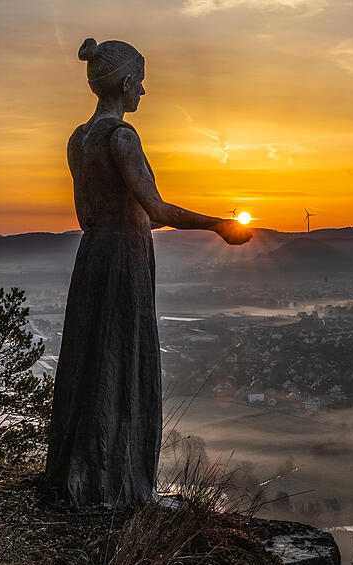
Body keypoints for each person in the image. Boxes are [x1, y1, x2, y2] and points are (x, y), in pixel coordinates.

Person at [43, 38, 252, 508]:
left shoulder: (78, 139)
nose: (144, 91)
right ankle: (119, 486)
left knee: (90, 360)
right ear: (125, 82)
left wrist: (136, 219)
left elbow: (90, 214)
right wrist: (218, 225)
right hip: (124, 259)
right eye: (141, 80)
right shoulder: (122, 137)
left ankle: (76, 479)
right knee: (122, 359)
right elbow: (153, 208)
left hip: (93, 254)